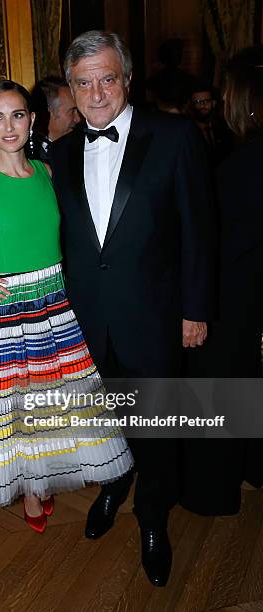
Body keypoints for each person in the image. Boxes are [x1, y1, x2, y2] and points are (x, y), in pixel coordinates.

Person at [0, 31, 214, 586]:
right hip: (77, 322)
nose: (97, 92)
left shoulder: (175, 136)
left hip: (154, 316)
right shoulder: (54, 155)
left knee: (157, 428)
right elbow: (24, 221)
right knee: (101, 425)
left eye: (107, 78)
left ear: (126, 78)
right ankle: (113, 485)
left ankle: (153, 521)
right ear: (72, 90)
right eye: (84, 82)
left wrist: (195, 308)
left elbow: (200, 230)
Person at [0, 80, 133, 535]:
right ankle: (28, 487)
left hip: (57, 303)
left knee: (52, 399)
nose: (9, 126)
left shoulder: (46, 172)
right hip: (10, 310)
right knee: (17, 402)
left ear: (32, 120)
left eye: (18, 115)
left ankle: (42, 475)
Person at [184, 46, 263, 513]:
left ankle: (212, 491)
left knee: (221, 389)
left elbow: (215, 240)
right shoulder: (241, 158)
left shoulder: (245, 164)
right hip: (246, 291)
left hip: (236, 296)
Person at [28, 75, 81, 160]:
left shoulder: (81, 148)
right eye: (72, 111)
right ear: (49, 112)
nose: (78, 119)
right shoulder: (27, 156)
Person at [190, 82, 233, 165]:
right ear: (191, 105)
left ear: (213, 103)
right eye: (198, 101)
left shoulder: (223, 128)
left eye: (206, 101)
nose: (203, 105)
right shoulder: (189, 132)